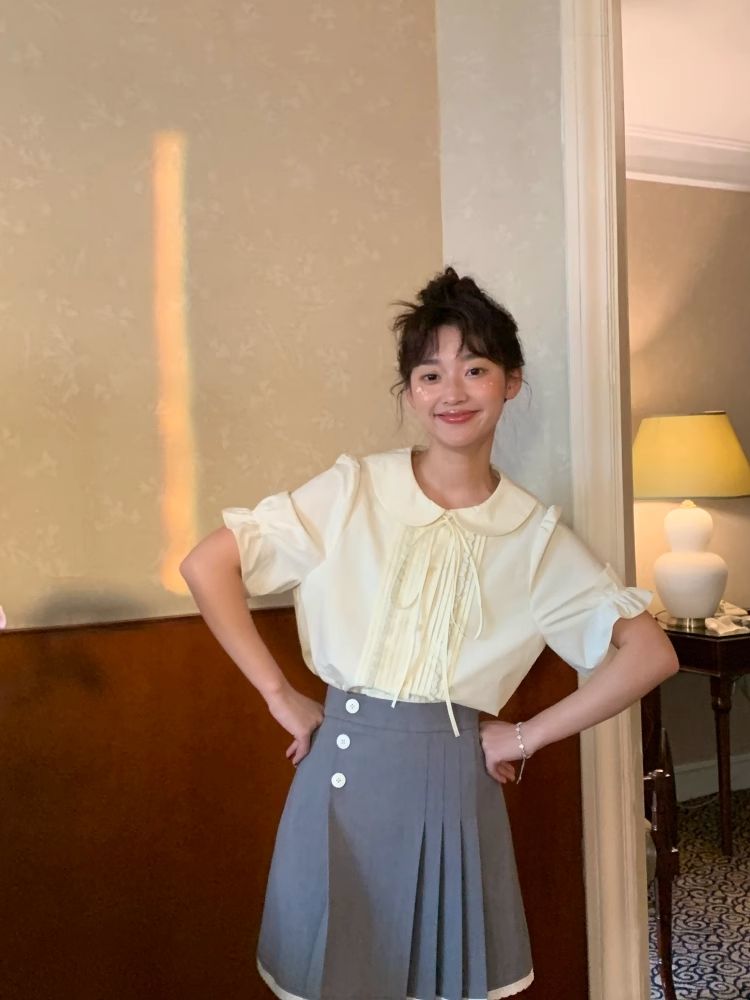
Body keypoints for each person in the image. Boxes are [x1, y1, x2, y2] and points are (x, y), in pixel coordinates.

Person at [180, 267, 678, 1000]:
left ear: (510, 382)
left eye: (475, 369)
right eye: (430, 374)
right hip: (339, 782)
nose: (452, 392)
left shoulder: (534, 535)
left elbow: (651, 654)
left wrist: (523, 736)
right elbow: (207, 565)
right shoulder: (353, 489)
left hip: (454, 786)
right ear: (410, 391)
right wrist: (280, 695)